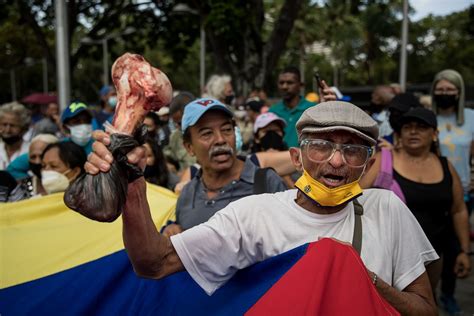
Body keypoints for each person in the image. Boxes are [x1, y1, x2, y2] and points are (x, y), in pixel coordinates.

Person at [87, 101, 440, 315]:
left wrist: (363, 280)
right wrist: (133, 185)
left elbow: (425, 310)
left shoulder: (385, 208)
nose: (337, 161)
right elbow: (154, 263)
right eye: (321, 146)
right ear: (296, 158)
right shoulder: (255, 215)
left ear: (366, 164)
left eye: (353, 150)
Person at [360, 107, 471, 293]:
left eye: (421, 127)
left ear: (434, 134)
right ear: (399, 133)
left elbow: (458, 210)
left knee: (424, 303)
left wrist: (464, 251)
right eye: (407, 127)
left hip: (432, 256)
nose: (413, 131)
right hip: (388, 256)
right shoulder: (382, 161)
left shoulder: (446, 166)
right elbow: (357, 198)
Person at [162, 98, 287, 235]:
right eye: (207, 133)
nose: (220, 140)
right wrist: (170, 230)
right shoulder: (187, 195)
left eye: (227, 130)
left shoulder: (266, 183)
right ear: (189, 147)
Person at [430, 69, 474, 314]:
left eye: (450, 90)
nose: (445, 93)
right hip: (430, 191)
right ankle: (428, 294)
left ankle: (448, 295)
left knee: (454, 248)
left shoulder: (470, 118)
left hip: (462, 195)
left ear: (459, 92)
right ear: (434, 90)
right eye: (441, 89)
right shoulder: (427, 117)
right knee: (429, 247)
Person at [269, 66, 316, 148]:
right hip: (278, 159)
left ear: (300, 85)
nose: (284, 87)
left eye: (290, 83)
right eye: (281, 83)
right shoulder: (272, 112)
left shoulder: (312, 110)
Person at [6, 134, 59, 198]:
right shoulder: (22, 187)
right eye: (33, 157)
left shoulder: (69, 184)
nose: (37, 162)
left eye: (42, 156)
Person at [164, 92, 196, 174]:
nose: (178, 127)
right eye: (176, 124)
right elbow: (166, 156)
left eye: (180, 123)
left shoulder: (209, 135)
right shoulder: (175, 136)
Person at [0, 102, 31, 170]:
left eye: (13, 125)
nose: (7, 130)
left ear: (23, 127)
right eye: (4, 125)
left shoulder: (31, 151)